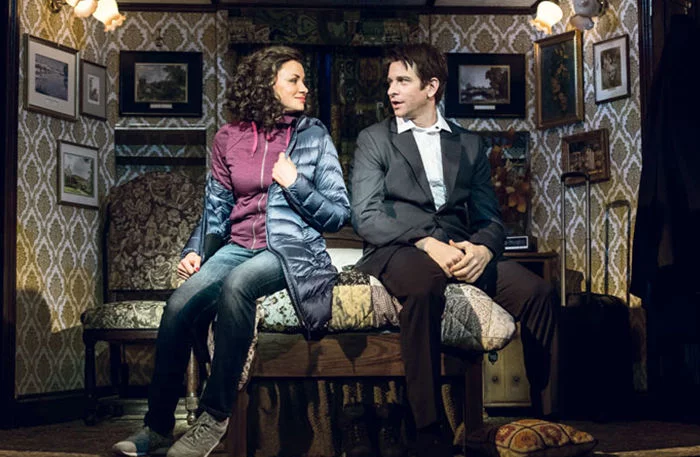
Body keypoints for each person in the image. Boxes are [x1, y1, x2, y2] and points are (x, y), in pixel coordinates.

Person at [112, 46, 350, 457]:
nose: (305, 88)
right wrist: (195, 251)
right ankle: (157, 427)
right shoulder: (228, 138)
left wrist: (295, 183)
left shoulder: (314, 136)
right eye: (294, 80)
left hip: (290, 248)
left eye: (304, 80)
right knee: (178, 305)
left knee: (238, 285)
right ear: (266, 84)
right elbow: (216, 209)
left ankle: (214, 416)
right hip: (238, 246)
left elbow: (338, 213)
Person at [350, 43, 558, 456]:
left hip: (461, 248)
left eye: (402, 81)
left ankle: (549, 421)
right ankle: (428, 429)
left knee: (538, 292)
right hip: (398, 247)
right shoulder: (374, 139)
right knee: (425, 285)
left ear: (431, 87)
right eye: (390, 82)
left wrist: (483, 250)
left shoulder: (468, 144)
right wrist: (426, 242)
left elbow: (490, 218)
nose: (391, 90)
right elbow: (366, 216)